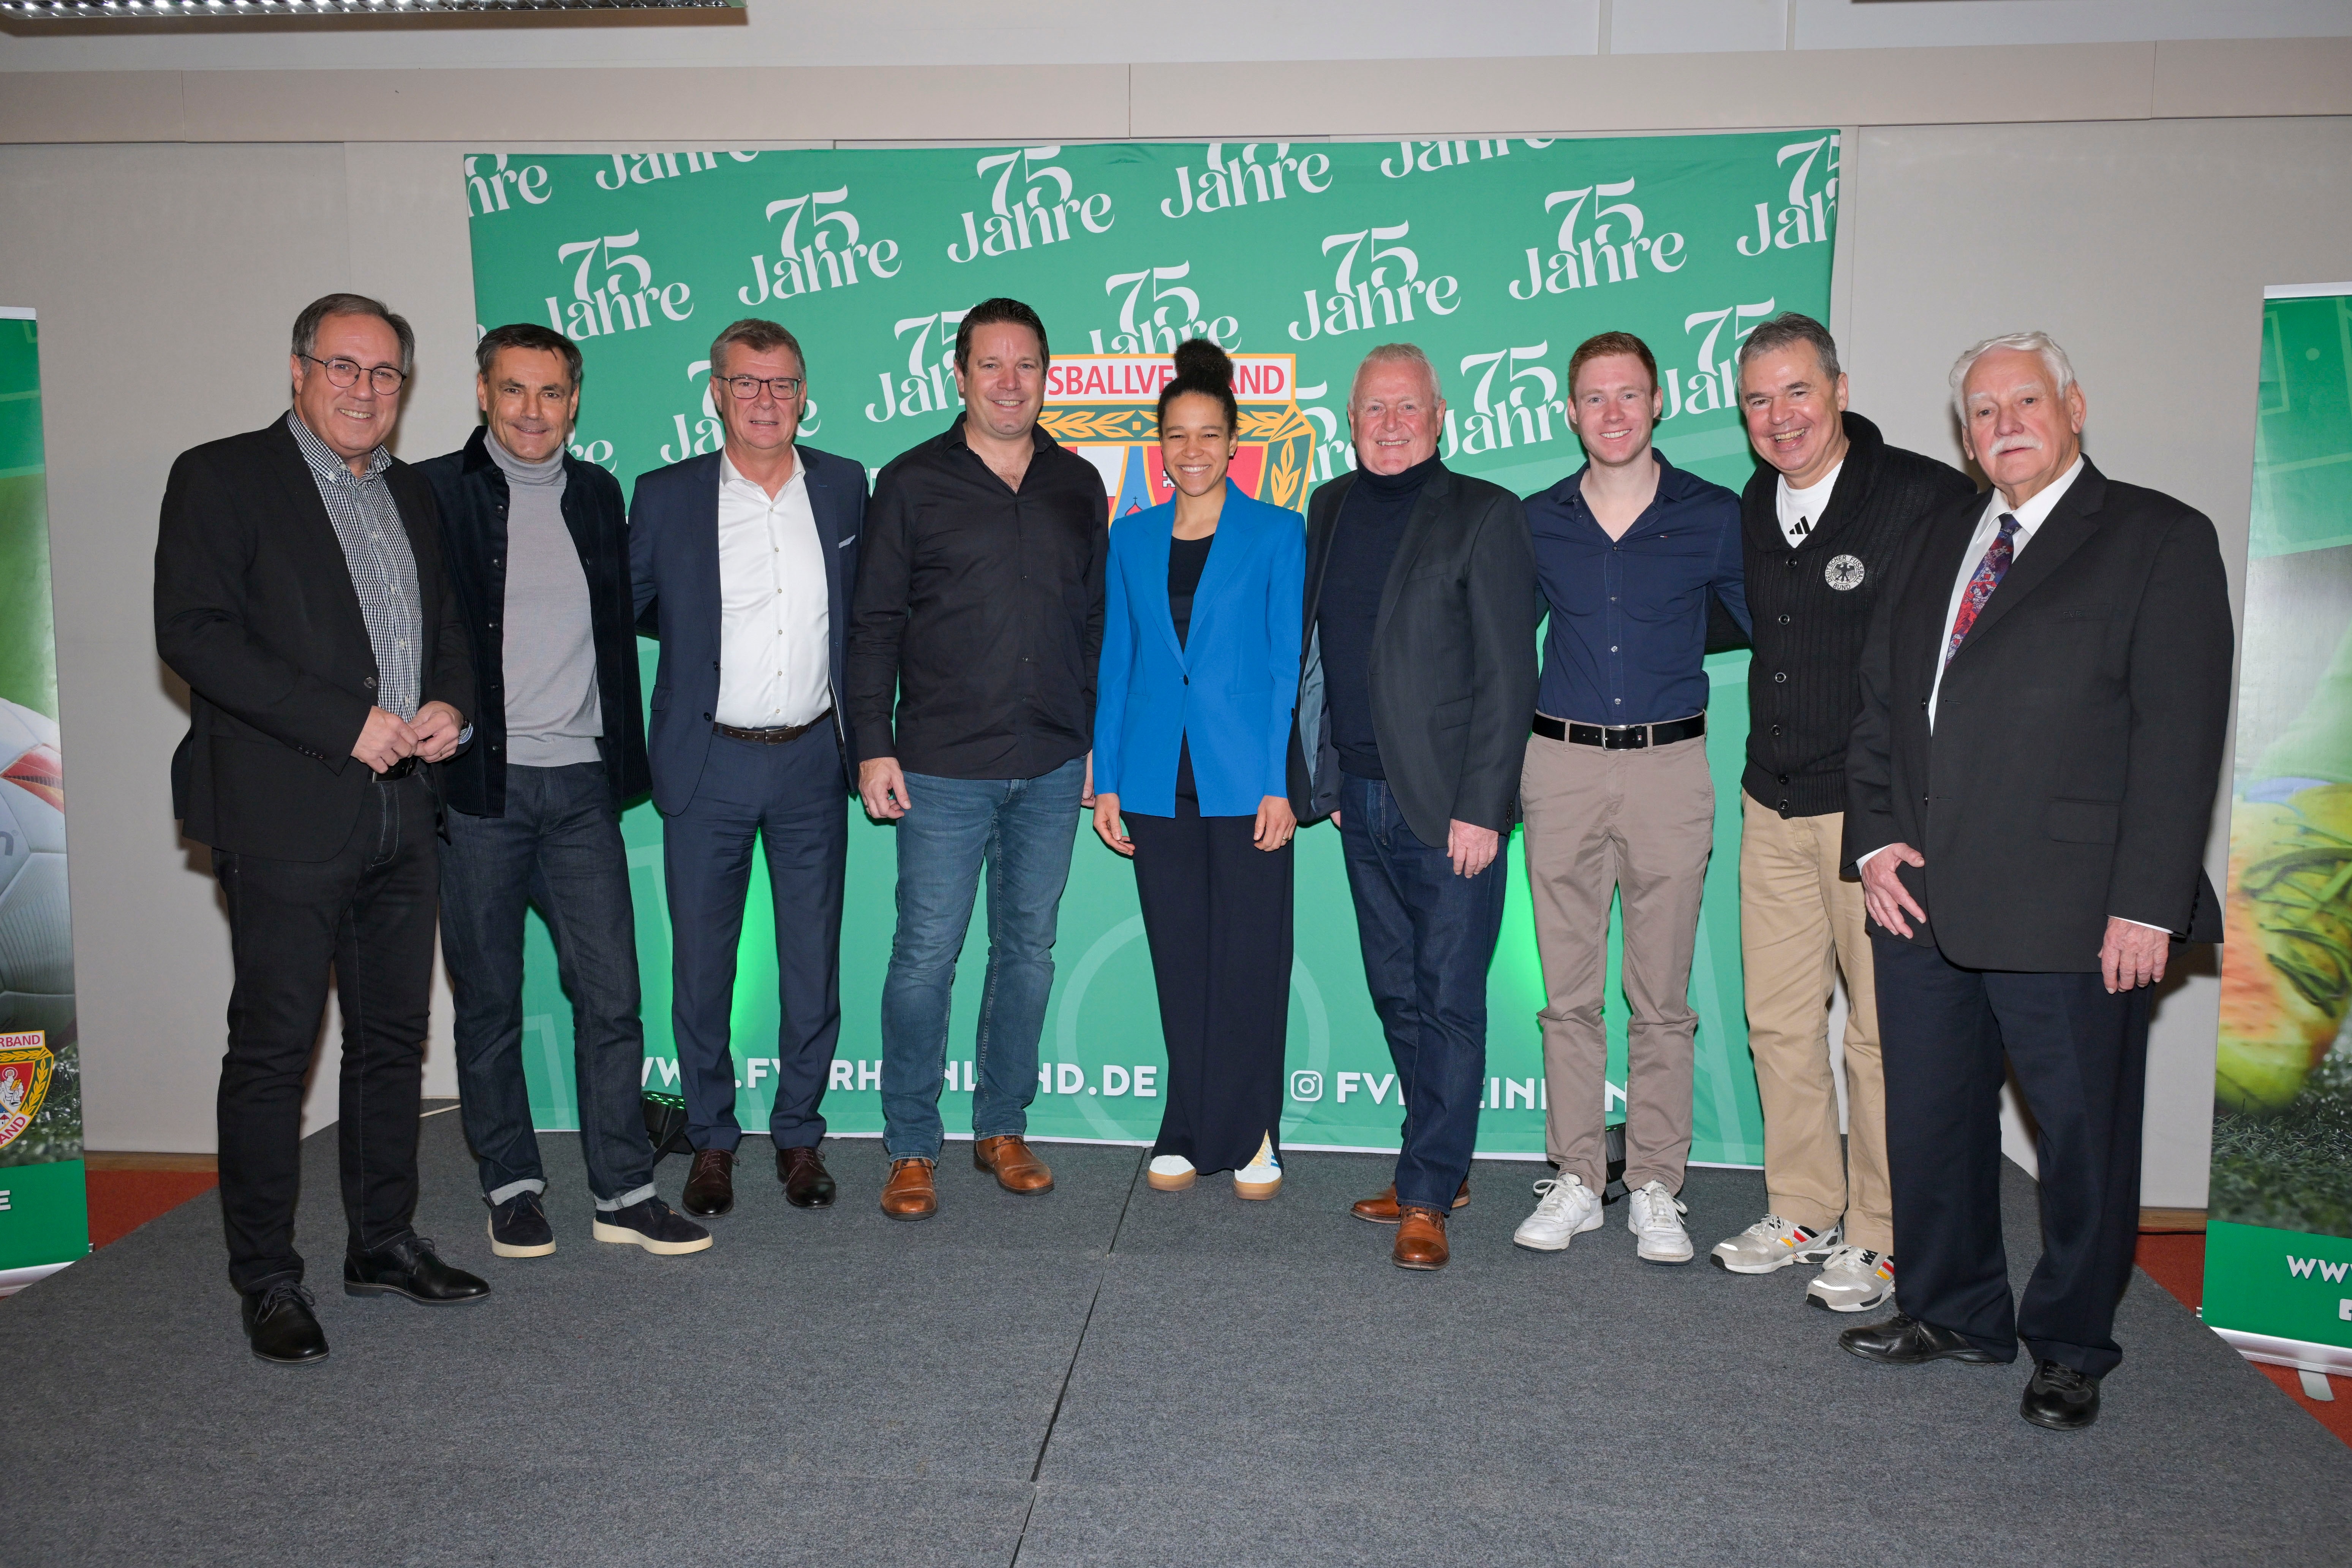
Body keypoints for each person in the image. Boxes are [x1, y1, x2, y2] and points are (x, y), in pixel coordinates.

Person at [1838, 332, 2231, 1432]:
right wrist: (1874, 842)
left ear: (2074, 406)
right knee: (1931, 1120)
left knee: (2082, 1139)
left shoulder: (2157, 537)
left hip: (2077, 905)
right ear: (1964, 434)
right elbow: (1880, 704)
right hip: (1921, 896)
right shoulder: (1937, 537)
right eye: (1981, 410)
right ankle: (1954, 1310)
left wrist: (2147, 902)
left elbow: (2178, 736)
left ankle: (2069, 1346)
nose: (2003, 424)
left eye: (2024, 401)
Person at [156, 293, 483, 1365]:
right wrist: (346, 724)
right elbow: (195, 634)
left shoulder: (412, 492)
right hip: (284, 812)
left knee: (391, 1040)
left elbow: (445, 628)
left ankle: (381, 1243)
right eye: (343, 366)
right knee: (274, 1050)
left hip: (405, 809)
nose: (364, 389)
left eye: (384, 373)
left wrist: (450, 704)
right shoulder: (221, 477)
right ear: (299, 371)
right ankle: (267, 1278)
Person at [422, 324, 710, 1260]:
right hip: (480, 790)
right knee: (490, 1003)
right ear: (483, 393)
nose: (533, 410)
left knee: (613, 998)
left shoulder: (598, 494)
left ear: (575, 400)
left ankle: (624, 1191)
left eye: (551, 392)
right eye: (514, 390)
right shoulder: (432, 493)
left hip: (584, 786)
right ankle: (511, 1186)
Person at [1707, 314, 1973, 1310]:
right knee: (1779, 1023)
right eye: (1758, 400)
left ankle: (1881, 1233)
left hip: (1876, 821)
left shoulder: (1921, 497)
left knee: (1879, 1034)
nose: (1780, 417)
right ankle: (1802, 1207)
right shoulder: (1754, 501)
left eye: (1797, 392)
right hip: (1770, 802)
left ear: (1840, 390)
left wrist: (1913, 809)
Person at [848, 298, 1109, 1221]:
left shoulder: (1078, 484)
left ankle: (1002, 1126)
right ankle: (911, 1145)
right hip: (939, 767)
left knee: (1028, 952)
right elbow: (873, 624)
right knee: (925, 955)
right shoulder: (911, 482)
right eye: (990, 364)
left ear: (1047, 376)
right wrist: (871, 746)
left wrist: (1097, 744)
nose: (1009, 381)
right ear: (959, 376)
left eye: (1026, 364)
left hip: (1052, 762)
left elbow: (1094, 626)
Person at [1299, 343, 1538, 1271]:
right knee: (1397, 992)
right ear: (1350, 421)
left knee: (1448, 1002)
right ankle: (1433, 1163)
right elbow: (1323, 655)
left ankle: (1430, 1191)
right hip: (1359, 800)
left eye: (1408, 408)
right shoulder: (1329, 507)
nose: (1391, 425)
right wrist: (1324, 779)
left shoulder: (1487, 513)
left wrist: (1485, 808)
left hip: (1450, 813)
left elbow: (1509, 676)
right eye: (1374, 409)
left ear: (1441, 417)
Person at [1514, 331, 1748, 1266]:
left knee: (1662, 1001)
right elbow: (1498, 644)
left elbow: (1772, 627)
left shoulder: (1716, 515)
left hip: (1668, 769)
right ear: (1570, 412)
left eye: (1628, 394)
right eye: (1594, 397)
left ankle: (1655, 1183)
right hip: (1561, 767)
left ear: (1659, 402)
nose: (1612, 413)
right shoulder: (1537, 521)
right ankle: (1578, 1175)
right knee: (1567, 998)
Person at [628, 318, 865, 1219]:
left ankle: (799, 1135)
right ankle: (712, 1139)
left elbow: (870, 614)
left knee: (812, 964)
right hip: (708, 761)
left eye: (783, 383)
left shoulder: (844, 487)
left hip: (812, 759)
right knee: (702, 969)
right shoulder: (665, 496)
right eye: (747, 383)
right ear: (717, 393)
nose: (766, 400)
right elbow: (635, 607)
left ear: (804, 394)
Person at [1091, 340, 1305, 1200]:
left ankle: (1253, 1133)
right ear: (1159, 445)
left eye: (1209, 434)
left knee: (1249, 960)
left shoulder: (1277, 532)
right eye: (1177, 435)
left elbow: (1287, 666)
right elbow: (1118, 662)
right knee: (1181, 961)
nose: (1192, 450)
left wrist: (1280, 781)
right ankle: (1183, 1123)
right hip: (1153, 782)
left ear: (1234, 442)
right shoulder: (1131, 537)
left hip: (1246, 782)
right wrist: (1108, 778)